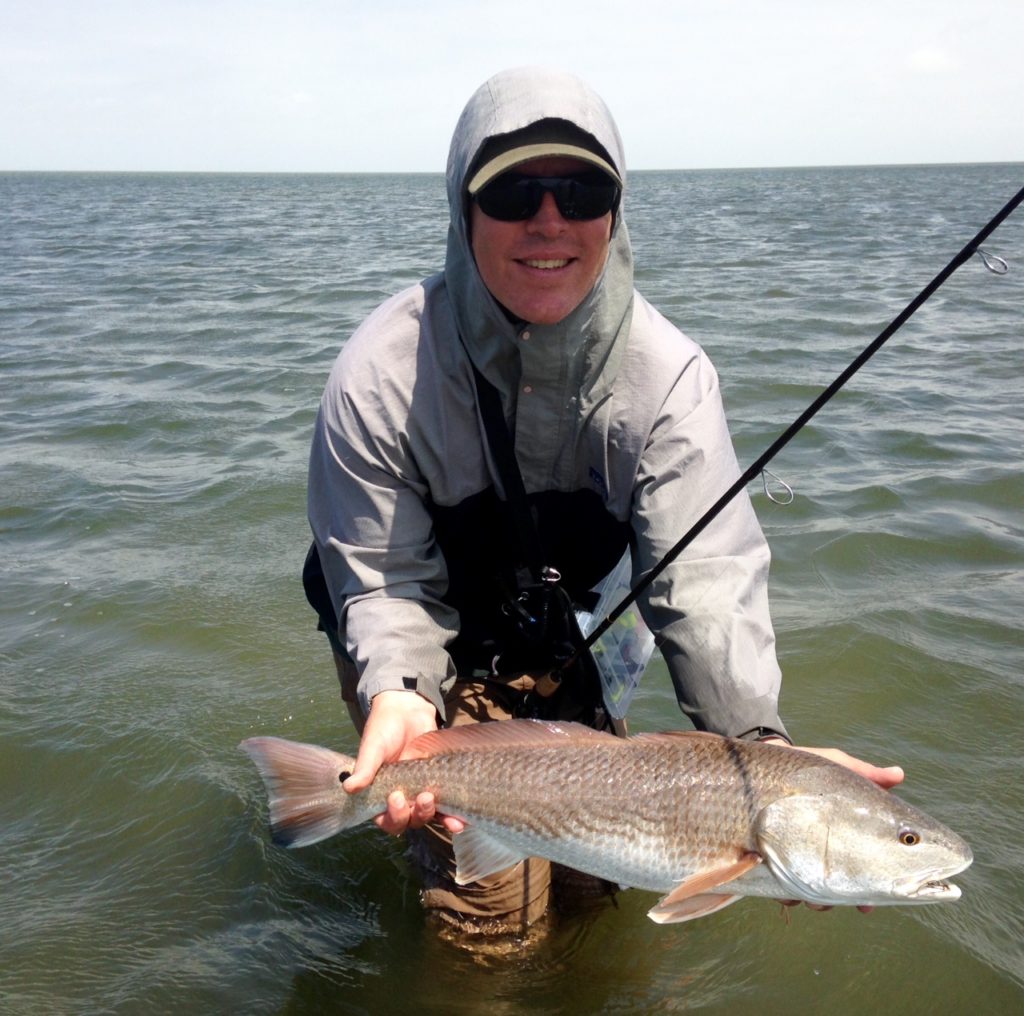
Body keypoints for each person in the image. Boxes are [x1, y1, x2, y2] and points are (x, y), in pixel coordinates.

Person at [303, 66, 903, 937]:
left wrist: (764, 757)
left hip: (573, 623)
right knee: (491, 914)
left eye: (581, 189)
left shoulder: (673, 380)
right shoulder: (379, 375)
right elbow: (384, 576)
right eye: (513, 191)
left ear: (615, 211)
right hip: (424, 625)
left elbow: (704, 581)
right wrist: (400, 695)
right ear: (461, 210)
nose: (549, 219)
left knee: (599, 889)